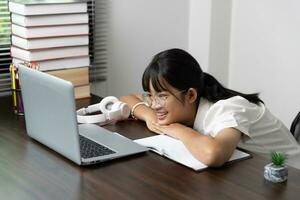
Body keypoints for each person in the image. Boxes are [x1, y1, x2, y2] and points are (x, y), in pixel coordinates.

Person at [120, 48, 300, 169]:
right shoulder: (186, 99)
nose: (154, 103)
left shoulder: (227, 109)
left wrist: (175, 129)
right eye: (151, 96)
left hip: (291, 179)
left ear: (190, 95)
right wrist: (150, 117)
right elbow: (127, 98)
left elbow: (214, 154)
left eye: (162, 96)